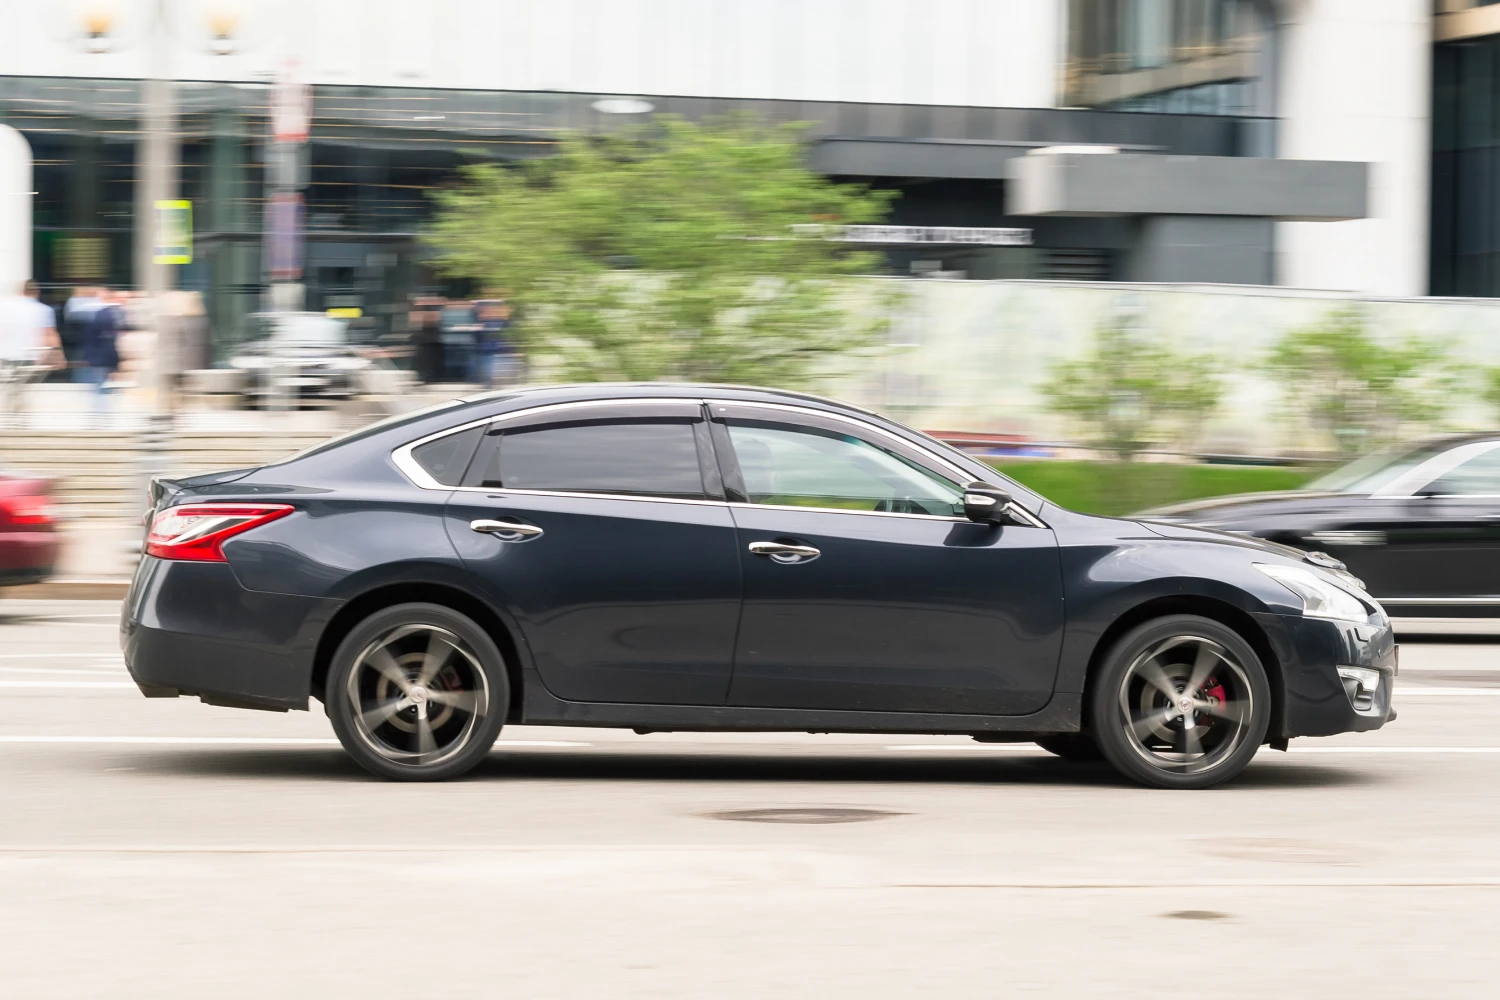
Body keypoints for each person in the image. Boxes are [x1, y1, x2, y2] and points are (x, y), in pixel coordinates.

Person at [0, 280, 60, 427]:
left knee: (13, 386)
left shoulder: (4, 306)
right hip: (27, 355)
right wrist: (58, 354)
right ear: (36, 292)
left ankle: (14, 416)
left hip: (5, 354)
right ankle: (18, 418)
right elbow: (49, 333)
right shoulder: (42, 309)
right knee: (20, 387)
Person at [65, 286, 121, 422]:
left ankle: (100, 416)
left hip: (98, 357)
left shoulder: (99, 313)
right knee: (99, 387)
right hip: (103, 357)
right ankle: (101, 415)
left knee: (98, 387)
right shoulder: (109, 313)